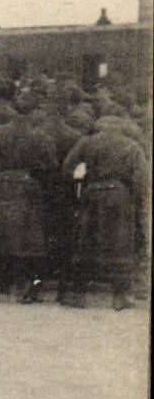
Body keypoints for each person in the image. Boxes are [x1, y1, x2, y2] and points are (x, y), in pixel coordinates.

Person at [0, 90, 59, 304]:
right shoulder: (41, 136)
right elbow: (51, 166)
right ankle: (25, 287)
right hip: (29, 187)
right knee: (29, 237)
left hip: (3, 185)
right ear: (35, 112)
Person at [59, 117, 149, 309]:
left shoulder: (86, 142)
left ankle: (79, 294)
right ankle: (119, 296)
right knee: (120, 243)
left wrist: (80, 184)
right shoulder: (132, 146)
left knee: (85, 240)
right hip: (119, 195)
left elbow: (68, 167)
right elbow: (141, 177)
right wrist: (133, 198)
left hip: (92, 193)